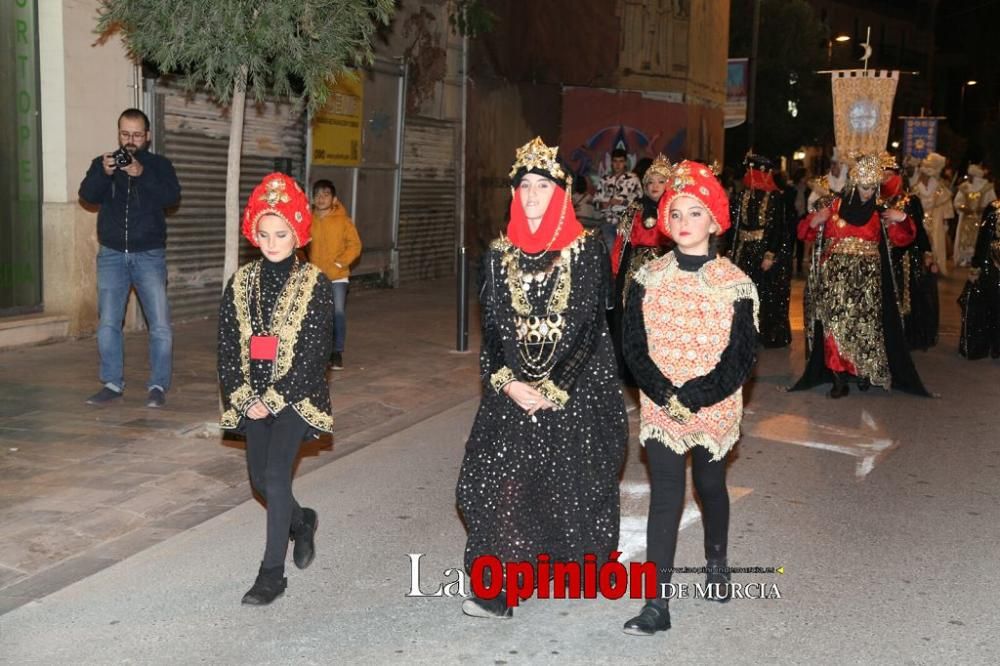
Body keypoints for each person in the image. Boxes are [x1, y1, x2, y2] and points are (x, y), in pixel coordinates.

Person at [456, 137, 628, 619]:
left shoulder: (588, 250)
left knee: (563, 488)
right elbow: (490, 329)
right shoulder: (497, 253)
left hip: (574, 390)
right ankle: (498, 588)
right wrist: (509, 382)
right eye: (524, 186)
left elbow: (591, 326)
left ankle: (551, 571)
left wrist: (554, 387)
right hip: (513, 390)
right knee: (497, 483)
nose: (532, 194)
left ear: (560, 192)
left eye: (542, 185)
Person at [620, 160, 759, 635]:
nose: (683, 223)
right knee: (665, 496)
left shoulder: (736, 284)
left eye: (694, 213)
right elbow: (633, 346)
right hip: (661, 402)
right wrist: (661, 390)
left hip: (712, 404)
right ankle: (656, 604)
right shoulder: (646, 278)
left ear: (715, 221)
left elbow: (740, 357)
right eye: (675, 213)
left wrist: (698, 394)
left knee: (710, 484)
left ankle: (716, 560)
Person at [217, 173, 334, 605]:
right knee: (260, 480)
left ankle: (271, 576)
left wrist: (274, 399)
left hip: (296, 397)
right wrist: (246, 397)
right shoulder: (240, 282)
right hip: (252, 396)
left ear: (298, 232)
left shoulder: (315, 284)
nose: (272, 242)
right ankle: (302, 522)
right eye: (264, 234)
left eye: (281, 233)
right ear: (254, 232)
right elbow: (227, 347)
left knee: (275, 476)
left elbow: (315, 354)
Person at [791, 153, 930, 398]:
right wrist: (815, 220)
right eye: (865, 187)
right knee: (835, 326)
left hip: (868, 281)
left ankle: (863, 372)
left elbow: (903, 239)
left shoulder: (880, 211)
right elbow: (804, 233)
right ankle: (838, 378)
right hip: (835, 279)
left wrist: (904, 219)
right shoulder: (832, 205)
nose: (868, 193)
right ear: (855, 183)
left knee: (865, 328)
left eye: (873, 188)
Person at [78, 108, 181, 407]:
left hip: (148, 254)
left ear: (147, 136)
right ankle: (111, 382)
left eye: (137, 135)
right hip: (112, 255)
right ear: (118, 134)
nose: (130, 141)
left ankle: (158, 386)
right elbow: (88, 195)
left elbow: (171, 197)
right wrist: (104, 172)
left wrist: (142, 173)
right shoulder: (104, 163)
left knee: (159, 324)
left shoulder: (160, 165)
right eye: (125, 134)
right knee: (109, 322)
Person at [608, 154, 675, 381]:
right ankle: (631, 370)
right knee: (633, 317)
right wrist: (616, 272)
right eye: (650, 182)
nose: (654, 186)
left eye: (660, 181)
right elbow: (621, 245)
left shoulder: (676, 209)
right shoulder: (634, 208)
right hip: (635, 273)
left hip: (668, 271)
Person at [727, 154, 792, 348]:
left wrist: (770, 254)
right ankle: (743, 333)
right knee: (742, 291)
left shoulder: (775, 197)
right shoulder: (741, 196)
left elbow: (778, 228)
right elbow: (734, 226)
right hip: (743, 250)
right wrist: (731, 249)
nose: (747, 175)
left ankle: (765, 333)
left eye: (750, 172)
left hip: (762, 251)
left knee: (763, 292)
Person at [882, 155, 939, 351]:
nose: (885, 179)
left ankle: (906, 337)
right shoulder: (874, 199)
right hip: (883, 255)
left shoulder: (910, 200)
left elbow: (920, 230)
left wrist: (927, 253)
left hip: (907, 256)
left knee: (908, 296)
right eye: (882, 175)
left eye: (889, 175)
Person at [308, 179, 362, 370]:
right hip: (314, 276)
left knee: (337, 312)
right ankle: (317, 350)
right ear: (313, 199)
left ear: (334, 198)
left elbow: (355, 245)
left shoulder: (343, 221)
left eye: (326, 194)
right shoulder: (307, 221)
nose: (321, 198)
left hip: (338, 276)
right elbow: (299, 246)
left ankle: (336, 352)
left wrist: (340, 262)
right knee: (315, 315)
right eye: (318, 195)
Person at [958, 199, 1000, 359]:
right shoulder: (994, 208)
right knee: (993, 303)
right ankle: (995, 344)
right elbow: (983, 240)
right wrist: (976, 266)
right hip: (993, 264)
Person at [911, 152, 955, 276]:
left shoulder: (940, 188)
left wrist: (945, 221)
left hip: (935, 218)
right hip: (920, 218)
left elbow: (945, 204)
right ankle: (921, 266)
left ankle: (936, 266)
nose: (924, 175)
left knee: (936, 241)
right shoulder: (915, 188)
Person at [953, 164, 995, 267]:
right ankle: (964, 259)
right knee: (965, 239)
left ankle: (975, 259)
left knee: (978, 239)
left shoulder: (987, 188)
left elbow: (993, 203)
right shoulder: (964, 187)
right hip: (966, 219)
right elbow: (957, 202)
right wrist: (964, 208)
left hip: (981, 219)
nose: (969, 177)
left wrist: (984, 209)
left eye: (971, 175)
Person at [593, 147, 643, 227]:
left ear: (625, 162)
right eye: (615, 161)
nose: (618, 164)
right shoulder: (605, 179)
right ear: (611, 162)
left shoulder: (633, 179)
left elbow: (640, 202)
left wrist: (621, 202)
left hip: (626, 221)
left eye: (621, 161)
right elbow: (595, 202)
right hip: (606, 220)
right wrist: (602, 204)